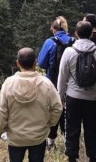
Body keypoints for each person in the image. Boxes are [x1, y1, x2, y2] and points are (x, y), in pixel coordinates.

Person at [0, 48, 64, 162]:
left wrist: (0, 128)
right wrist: (49, 123)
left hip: (15, 136)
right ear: (35, 63)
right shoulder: (46, 83)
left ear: (17, 63)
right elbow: (57, 108)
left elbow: (1, 110)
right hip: (38, 136)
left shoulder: (8, 83)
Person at [57, 21, 96, 162]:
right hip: (92, 98)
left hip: (73, 96)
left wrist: (60, 96)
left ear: (76, 33)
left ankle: (72, 156)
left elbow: (62, 77)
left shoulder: (69, 52)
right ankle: (92, 156)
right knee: (91, 127)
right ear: (92, 33)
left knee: (72, 127)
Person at [37, 16, 74, 147]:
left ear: (54, 29)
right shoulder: (73, 41)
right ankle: (67, 138)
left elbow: (41, 63)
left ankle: (51, 140)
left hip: (52, 81)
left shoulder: (49, 42)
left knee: (52, 110)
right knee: (67, 110)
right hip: (71, 83)